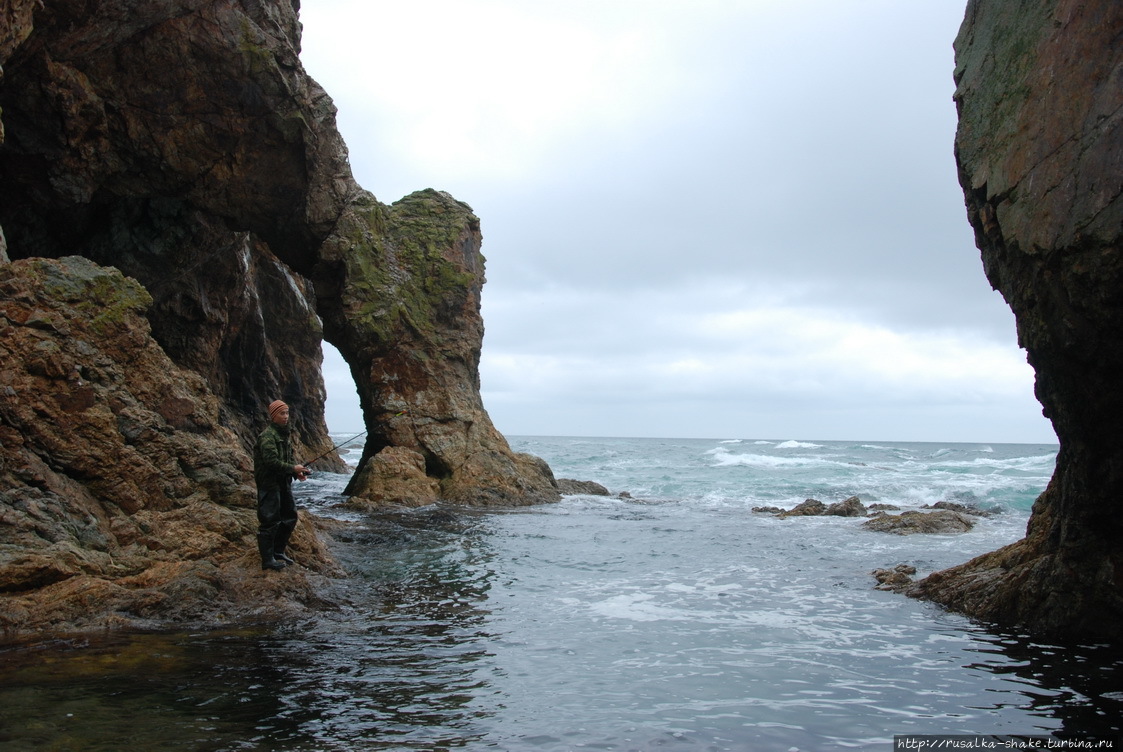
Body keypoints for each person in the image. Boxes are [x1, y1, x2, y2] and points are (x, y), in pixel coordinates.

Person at [253, 400, 309, 571]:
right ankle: (267, 559)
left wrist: (296, 472)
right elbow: (271, 462)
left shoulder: (285, 435)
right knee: (269, 521)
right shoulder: (267, 436)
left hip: (283, 483)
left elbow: (288, 458)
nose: (285, 417)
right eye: (281, 414)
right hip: (269, 484)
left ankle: (278, 551)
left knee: (290, 516)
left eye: (287, 413)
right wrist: (292, 468)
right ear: (273, 416)